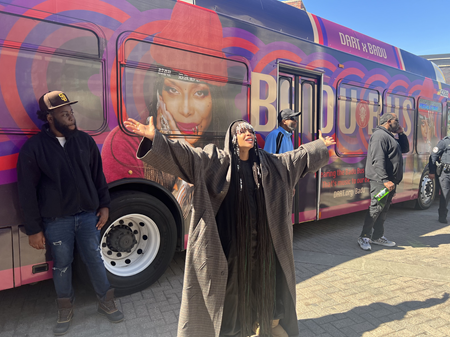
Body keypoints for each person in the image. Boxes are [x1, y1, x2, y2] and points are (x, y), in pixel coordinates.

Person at [124, 116, 335, 337]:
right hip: (230, 248)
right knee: (232, 294)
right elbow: (186, 155)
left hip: (262, 247)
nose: (249, 134)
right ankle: (235, 330)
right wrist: (155, 138)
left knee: (266, 288)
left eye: (251, 131)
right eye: (243, 131)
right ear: (232, 137)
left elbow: (294, 159)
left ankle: (266, 324)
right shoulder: (215, 162)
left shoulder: (268, 163)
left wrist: (319, 146)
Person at [17, 91, 124, 336]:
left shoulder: (85, 141)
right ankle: (65, 307)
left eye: (71, 112)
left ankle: (106, 301)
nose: (71, 117)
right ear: (50, 118)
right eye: (64, 114)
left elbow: (99, 176)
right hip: (56, 221)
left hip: (88, 216)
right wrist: (33, 229)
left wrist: (104, 205)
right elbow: (26, 191)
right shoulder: (33, 149)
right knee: (62, 265)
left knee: (95, 260)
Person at [357, 113, 409, 251]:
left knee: (383, 209)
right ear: (389, 121)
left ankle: (377, 236)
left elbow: (405, 149)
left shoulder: (389, 136)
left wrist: (402, 134)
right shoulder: (379, 136)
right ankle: (364, 236)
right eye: (396, 121)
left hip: (390, 182)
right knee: (376, 208)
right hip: (381, 182)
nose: (399, 123)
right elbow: (377, 160)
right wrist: (385, 180)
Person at [429, 135, 450, 223]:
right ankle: (442, 216)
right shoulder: (445, 142)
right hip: (446, 173)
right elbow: (434, 155)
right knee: (445, 195)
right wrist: (432, 171)